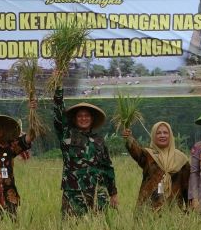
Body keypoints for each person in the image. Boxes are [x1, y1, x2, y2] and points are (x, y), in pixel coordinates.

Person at [53, 85, 117, 217]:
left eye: (87, 115)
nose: (83, 118)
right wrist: (58, 88)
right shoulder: (68, 135)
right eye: (80, 116)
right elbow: (59, 116)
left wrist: (113, 193)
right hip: (74, 192)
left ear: (92, 119)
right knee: (71, 228)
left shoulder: (99, 141)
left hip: (98, 193)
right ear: (75, 119)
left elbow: (107, 168)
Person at [121, 122, 189, 211]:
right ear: (153, 136)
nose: (162, 135)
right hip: (147, 208)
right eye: (158, 133)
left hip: (173, 209)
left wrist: (190, 208)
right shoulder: (148, 155)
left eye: (165, 133)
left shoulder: (181, 159)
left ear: (170, 135)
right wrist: (129, 138)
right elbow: (136, 151)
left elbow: (187, 187)